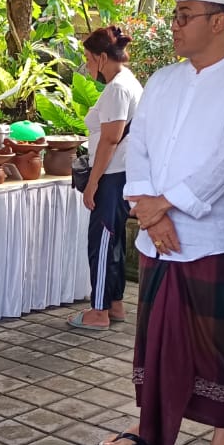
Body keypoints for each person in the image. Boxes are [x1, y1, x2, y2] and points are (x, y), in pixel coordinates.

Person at [96, 0, 224, 445]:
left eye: (184, 16)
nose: (174, 25)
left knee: (214, 341)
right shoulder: (164, 81)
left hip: (208, 236)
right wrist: (150, 213)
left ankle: (221, 444)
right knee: (153, 335)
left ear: (218, 22)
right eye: (175, 16)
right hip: (157, 234)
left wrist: (167, 205)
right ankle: (150, 424)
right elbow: (141, 145)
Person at [67, 26, 143, 331]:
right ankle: (114, 304)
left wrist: (94, 182)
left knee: (101, 241)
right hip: (121, 174)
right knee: (113, 241)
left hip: (112, 176)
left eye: (87, 58)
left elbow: (111, 139)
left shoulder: (117, 89)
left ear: (101, 57)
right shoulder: (128, 83)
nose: (86, 65)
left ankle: (98, 310)